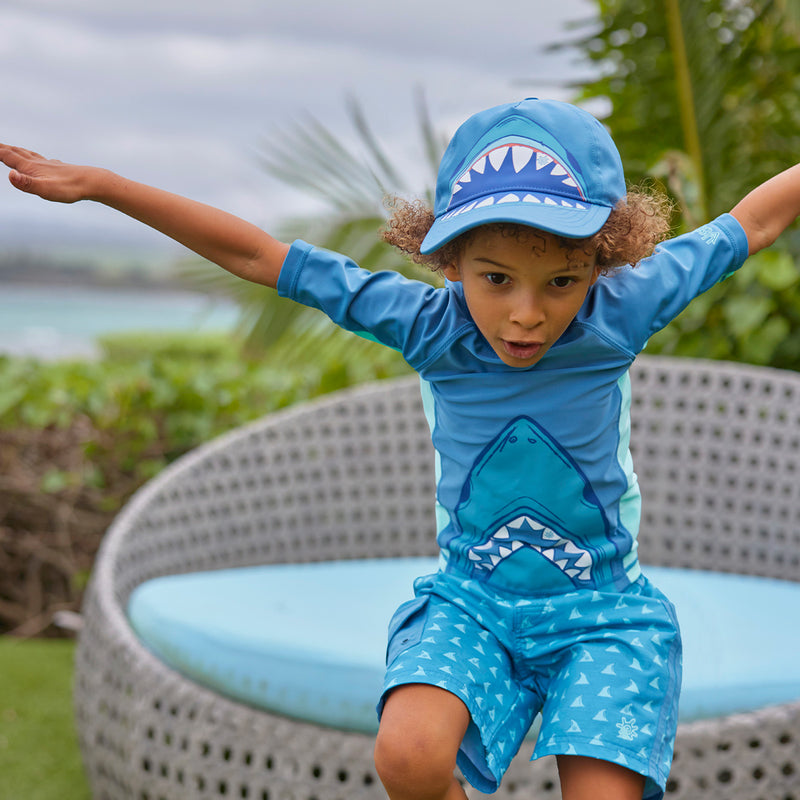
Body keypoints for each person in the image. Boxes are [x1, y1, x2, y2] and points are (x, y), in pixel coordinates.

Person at [2, 97, 799, 800]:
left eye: (560, 282)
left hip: (604, 614)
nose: (526, 314)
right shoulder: (428, 327)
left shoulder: (623, 311)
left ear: (604, 259)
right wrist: (104, 186)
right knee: (409, 757)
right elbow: (258, 256)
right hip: (473, 604)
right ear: (447, 261)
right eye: (495, 279)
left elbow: (753, 222)